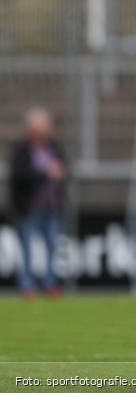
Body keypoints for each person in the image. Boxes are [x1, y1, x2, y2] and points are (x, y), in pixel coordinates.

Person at [10, 107, 66, 300]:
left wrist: (60, 171)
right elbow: (19, 175)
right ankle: (27, 286)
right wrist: (44, 173)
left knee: (52, 246)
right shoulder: (21, 149)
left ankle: (51, 284)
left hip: (52, 206)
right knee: (27, 248)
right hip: (29, 207)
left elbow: (65, 168)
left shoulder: (54, 147)